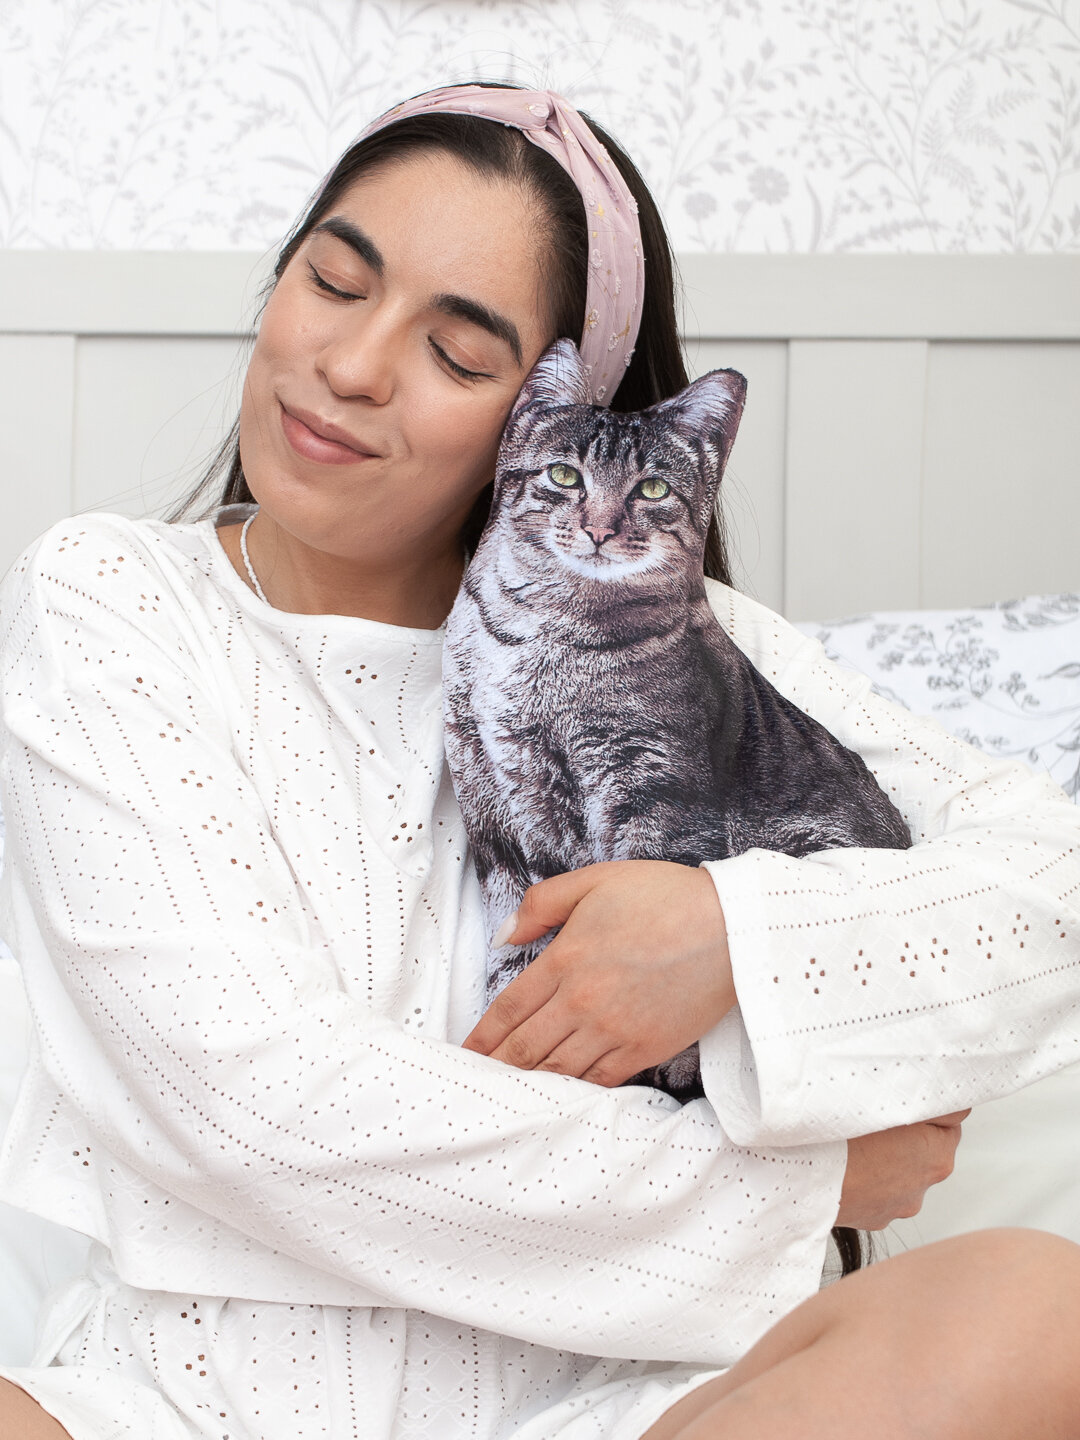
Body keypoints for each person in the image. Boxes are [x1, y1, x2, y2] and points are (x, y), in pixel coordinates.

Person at [0, 81, 1078, 1440]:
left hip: (609, 1415)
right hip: (176, 1407)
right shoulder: (110, 603)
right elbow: (255, 1110)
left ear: (549, 419)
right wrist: (788, 1192)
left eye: (458, 357)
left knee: (1039, 1315)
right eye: (334, 282)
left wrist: (727, 937)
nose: (352, 366)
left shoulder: (681, 635)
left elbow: (1053, 878)